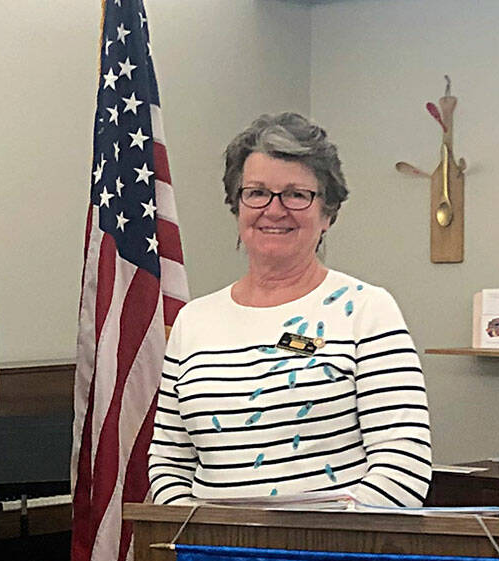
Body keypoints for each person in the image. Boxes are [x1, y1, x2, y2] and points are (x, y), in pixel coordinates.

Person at [148, 112, 431, 506]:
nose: (274, 210)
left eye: (297, 194)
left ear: (328, 213)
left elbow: (403, 465)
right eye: (257, 192)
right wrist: (197, 544)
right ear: (237, 205)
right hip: (211, 560)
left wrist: (307, 550)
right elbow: (169, 462)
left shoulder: (367, 310)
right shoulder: (193, 321)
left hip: (330, 560)